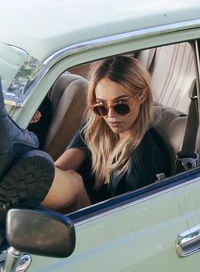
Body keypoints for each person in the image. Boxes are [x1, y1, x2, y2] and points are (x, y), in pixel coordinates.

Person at [0, 55, 170, 220]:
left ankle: (11, 149)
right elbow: (54, 171)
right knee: (55, 173)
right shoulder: (96, 130)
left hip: (94, 228)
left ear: (142, 95)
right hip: (61, 217)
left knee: (74, 181)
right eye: (101, 107)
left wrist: (76, 189)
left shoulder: (146, 159)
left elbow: (125, 224)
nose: (110, 116)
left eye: (120, 106)